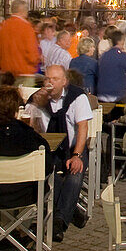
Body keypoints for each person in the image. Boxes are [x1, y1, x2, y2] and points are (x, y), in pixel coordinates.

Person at [26, 62, 93, 241]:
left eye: (55, 79)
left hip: (72, 147)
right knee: (51, 176)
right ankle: (67, 214)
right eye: (47, 78)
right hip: (48, 151)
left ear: (64, 81)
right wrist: (37, 106)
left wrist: (77, 155)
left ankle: (59, 221)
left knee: (75, 174)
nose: (50, 82)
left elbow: (82, 128)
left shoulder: (77, 96)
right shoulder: (37, 98)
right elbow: (31, 131)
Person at [0, 86, 53, 208]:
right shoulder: (33, 139)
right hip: (25, 196)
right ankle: (22, 225)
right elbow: (47, 167)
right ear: (16, 111)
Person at [0, 1, 41, 77]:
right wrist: (37, 60)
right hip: (24, 72)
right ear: (24, 12)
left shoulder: (2, 26)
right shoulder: (26, 28)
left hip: (6, 73)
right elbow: (32, 53)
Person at [96, 30, 126, 104]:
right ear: (120, 41)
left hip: (101, 93)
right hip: (116, 94)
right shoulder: (122, 56)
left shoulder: (104, 55)